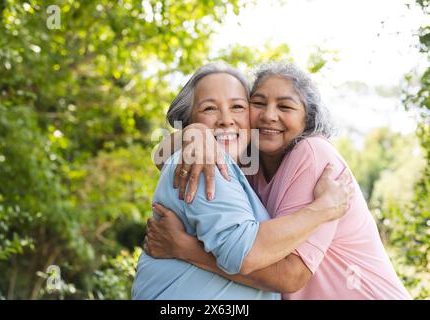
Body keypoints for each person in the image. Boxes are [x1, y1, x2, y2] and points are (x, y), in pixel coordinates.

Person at [145, 62, 411, 300]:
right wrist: (195, 132)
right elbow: (162, 158)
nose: (269, 115)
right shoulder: (250, 161)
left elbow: (290, 276)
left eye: (285, 106)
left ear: (308, 119)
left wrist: (186, 250)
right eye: (258, 103)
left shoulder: (313, 154)